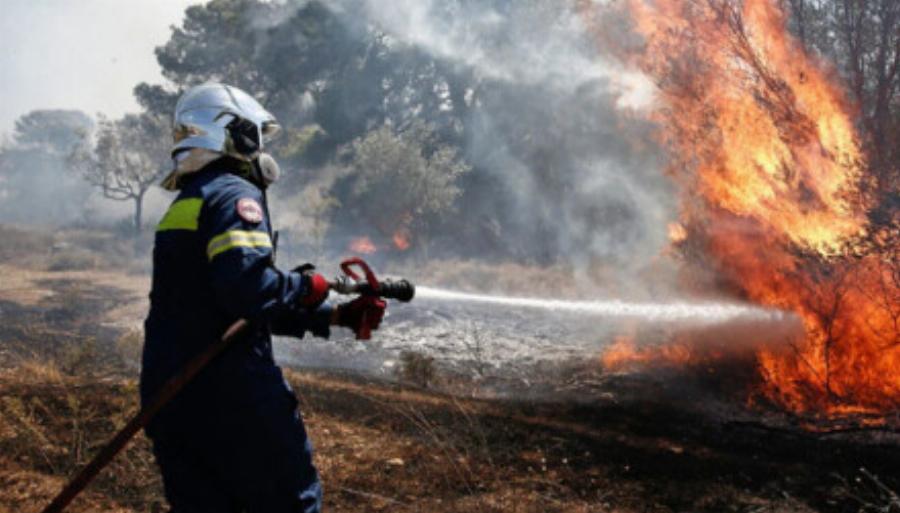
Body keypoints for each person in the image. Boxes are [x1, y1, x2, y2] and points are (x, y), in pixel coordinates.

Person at [141, 83, 385, 513]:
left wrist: (336, 316)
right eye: (256, 136)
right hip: (232, 397)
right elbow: (247, 293)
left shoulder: (186, 203)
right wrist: (306, 286)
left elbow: (226, 308)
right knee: (291, 503)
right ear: (235, 133)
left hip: (172, 397)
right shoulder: (235, 194)